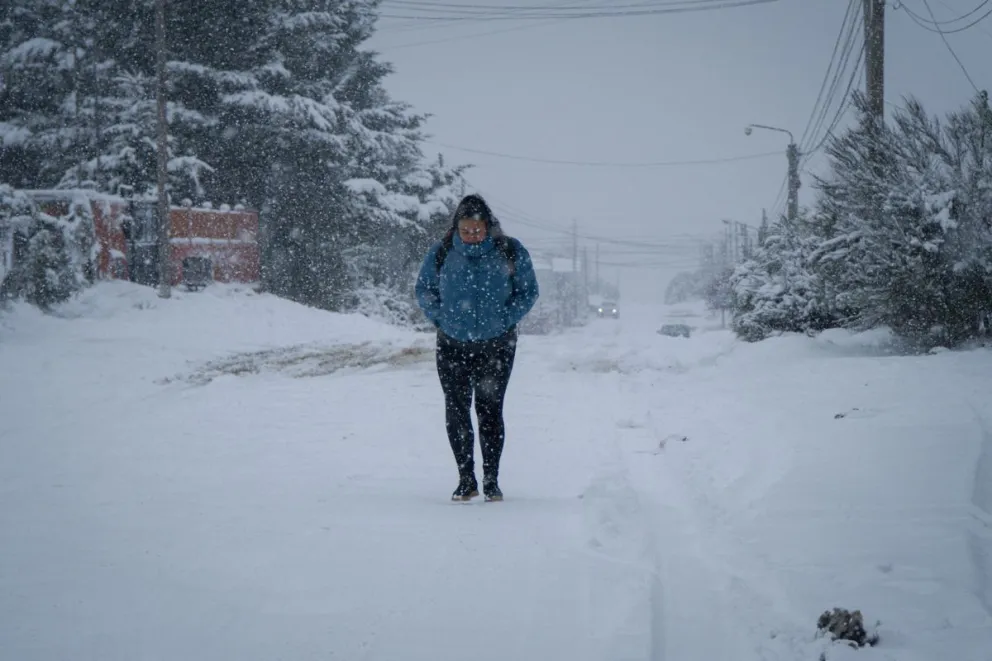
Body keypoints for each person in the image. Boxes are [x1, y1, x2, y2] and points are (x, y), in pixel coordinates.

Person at [415, 194, 540, 501]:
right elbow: (424, 290)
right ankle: (466, 479)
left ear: (488, 226)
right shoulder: (442, 252)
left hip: (496, 346)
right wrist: (442, 319)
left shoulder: (509, 250)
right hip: (451, 344)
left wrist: (504, 320)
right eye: (466, 228)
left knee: (489, 411)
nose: (472, 234)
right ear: (457, 227)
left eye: (477, 228)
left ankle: (491, 479)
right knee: (456, 411)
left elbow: (528, 292)